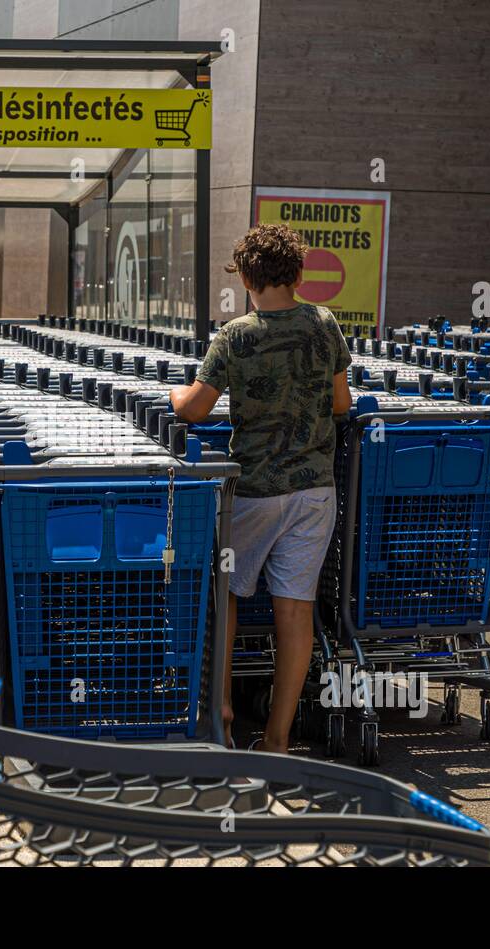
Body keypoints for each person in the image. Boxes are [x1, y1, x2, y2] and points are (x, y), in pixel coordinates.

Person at [169, 223, 351, 753]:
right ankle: (277, 740)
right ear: (296, 274)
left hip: (253, 490)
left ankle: (223, 711)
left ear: (246, 277)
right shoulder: (324, 323)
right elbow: (341, 404)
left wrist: (176, 394)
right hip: (315, 490)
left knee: (225, 592)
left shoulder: (236, 335)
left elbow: (197, 407)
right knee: (294, 610)